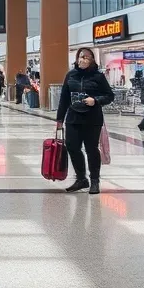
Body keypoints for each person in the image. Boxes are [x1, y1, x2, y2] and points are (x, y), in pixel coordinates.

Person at [56, 47, 114, 194]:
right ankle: (81, 179)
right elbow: (64, 98)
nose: (83, 60)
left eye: (86, 57)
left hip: (92, 119)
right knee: (72, 147)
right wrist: (59, 119)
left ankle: (95, 180)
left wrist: (96, 100)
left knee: (91, 149)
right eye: (81, 57)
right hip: (73, 118)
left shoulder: (98, 76)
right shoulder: (70, 75)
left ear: (92, 60)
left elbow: (109, 95)